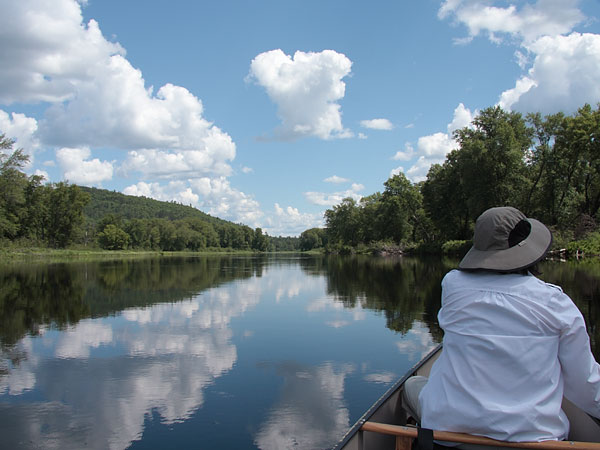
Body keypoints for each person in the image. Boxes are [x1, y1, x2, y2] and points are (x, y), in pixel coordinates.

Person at [403, 206, 600, 445]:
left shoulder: (453, 286)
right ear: (528, 250)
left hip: (448, 434)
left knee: (413, 384)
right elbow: (584, 386)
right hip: (535, 438)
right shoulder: (555, 303)